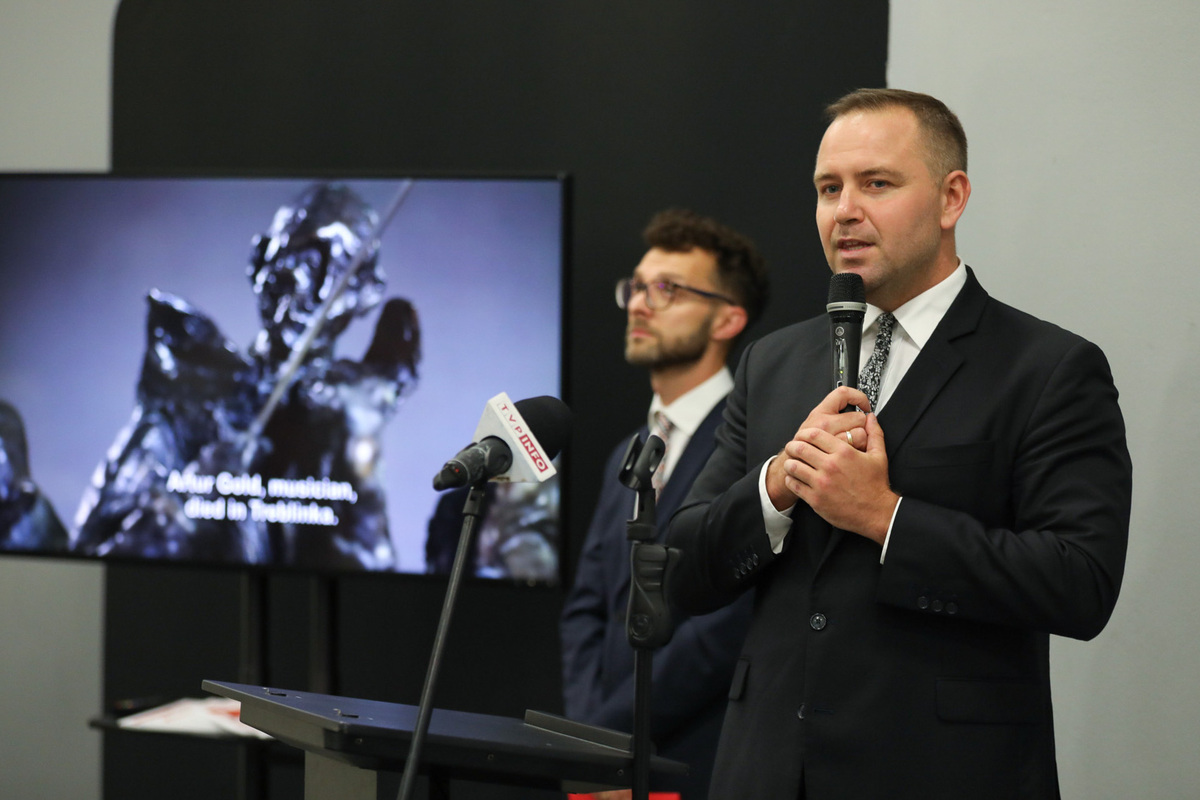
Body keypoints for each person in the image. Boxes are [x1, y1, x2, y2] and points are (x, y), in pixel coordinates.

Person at [665, 89, 1132, 799]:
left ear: (952, 198)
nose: (845, 210)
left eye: (876, 183)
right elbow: (679, 569)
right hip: (764, 770)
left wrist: (885, 517)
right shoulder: (775, 362)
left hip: (941, 773)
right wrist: (778, 486)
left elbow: (1079, 584)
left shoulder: (1046, 368)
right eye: (829, 188)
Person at [73, 183, 421, 569]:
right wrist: (191, 499)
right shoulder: (190, 400)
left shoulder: (355, 411)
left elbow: (365, 584)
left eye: (331, 263)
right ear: (258, 262)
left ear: (366, 290)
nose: (300, 283)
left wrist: (357, 450)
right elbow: (91, 559)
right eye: (291, 257)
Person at [561, 209, 770, 799]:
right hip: (601, 762)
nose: (640, 304)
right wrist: (586, 739)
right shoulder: (630, 450)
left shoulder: (753, 446)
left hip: (689, 760)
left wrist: (612, 734)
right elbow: (586, 606)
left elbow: (724, 630)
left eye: (669, 289)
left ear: (729, 317)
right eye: (637, 287)